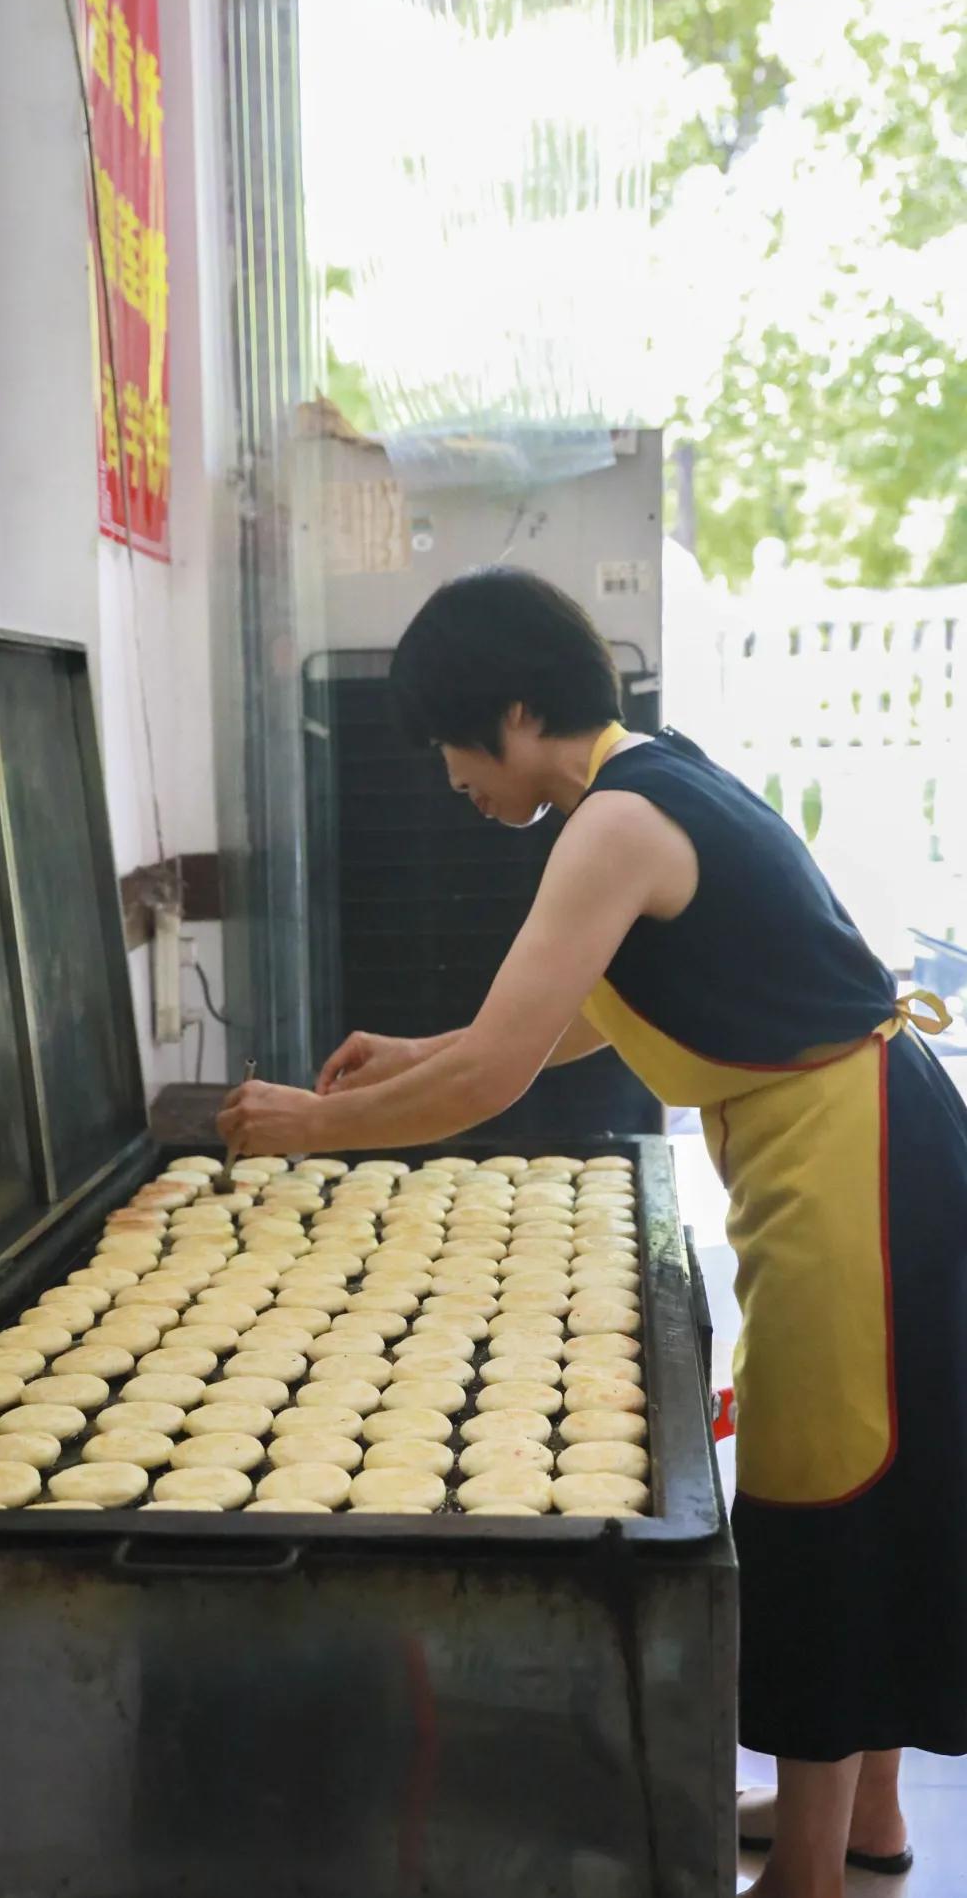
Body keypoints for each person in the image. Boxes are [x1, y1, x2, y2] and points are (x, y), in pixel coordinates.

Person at [218, 565, 967, 1898]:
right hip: (867, 1144)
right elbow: (573, 1011)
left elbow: (498, 1075)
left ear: (512, 715)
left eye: (452, 747)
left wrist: (310, 1126)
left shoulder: (614, 820)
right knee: (866, 1478)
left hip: (861, 1171)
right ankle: (869, 1824)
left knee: (824, 1494)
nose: (452, 779)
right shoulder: (649, 781)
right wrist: (418, 1049)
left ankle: (807, 1873)